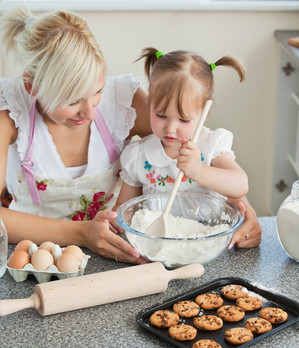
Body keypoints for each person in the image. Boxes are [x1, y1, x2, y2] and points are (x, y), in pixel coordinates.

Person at [0, 7, 260, 267]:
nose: (90, 112)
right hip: (33, 256)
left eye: (96, 91)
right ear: (30, 86)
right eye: (72, 100)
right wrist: (82, 234)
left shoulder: (123, 101)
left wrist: (241, 206)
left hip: (115, 253)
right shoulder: (9, 110)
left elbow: (190, 146)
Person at [111, 48, 261, 249]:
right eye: (161, 115)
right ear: (150, 104)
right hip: (157, 251)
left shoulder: (210, 146)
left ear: (203, 113)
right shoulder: (139, 156)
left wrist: (199, 171)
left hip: (210, 246)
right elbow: (125, 207)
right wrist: (113, 223)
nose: (170, 128)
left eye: (184, 119)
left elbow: (240, 185)